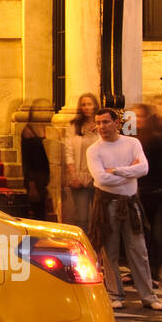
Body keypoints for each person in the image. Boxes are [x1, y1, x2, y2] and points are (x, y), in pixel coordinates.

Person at [87, 107, 162, 311]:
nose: (101, 127)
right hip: (107, 203)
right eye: (98, 123)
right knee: (109, 251)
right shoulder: (94, 150)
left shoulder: (132, 143)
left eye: (105, 122)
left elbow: (144, 168)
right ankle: (115, 294)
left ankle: (148, 296)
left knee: (138, 249)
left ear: (116, 123)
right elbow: (101, 178)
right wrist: (130, 172)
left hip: (130, 202)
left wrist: (117, 170)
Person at [131, 102, 162, 283]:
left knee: (147, 232)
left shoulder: (155, 139)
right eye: (134, 116)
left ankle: (152, 272)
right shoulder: (134, 138)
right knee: (136, 232)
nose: (137, 120)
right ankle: (138, 271)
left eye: (140, 116)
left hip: (151, 191)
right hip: (137, 189)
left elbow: (159, 167)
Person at [62, 92, 100, 231]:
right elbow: (69, 152)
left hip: (98, 176)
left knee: (99, 217)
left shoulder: (102, 125)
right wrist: (73, 175)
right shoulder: (74, 126)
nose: (86, 107)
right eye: (83, 104)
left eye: (89, 104)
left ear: (95, 105)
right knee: (82, 217)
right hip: (80, 175)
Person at [20, 98, 53, 221]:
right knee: (37, 213)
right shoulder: (28, 131)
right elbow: (27, 160)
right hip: (35, 179)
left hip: (44, 178)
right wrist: (31, 184)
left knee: (43, 211)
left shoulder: (44, 128)